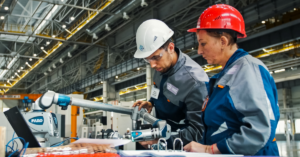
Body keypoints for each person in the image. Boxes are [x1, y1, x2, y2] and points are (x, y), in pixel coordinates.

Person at [184, 4, 280, 156]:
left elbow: (261, 131)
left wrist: (210, 150)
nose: (199, 51)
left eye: (203, 43)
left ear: (223, 41)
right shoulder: (227, 75)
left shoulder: (248, 70)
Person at [132, 19, 209, 149]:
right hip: (163, 139)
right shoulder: (161, 67)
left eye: (156, 57)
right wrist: (151, 102)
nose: (152, 65)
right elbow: (159, 90)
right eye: (147, 59)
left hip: (182, 146)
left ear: (171, 48)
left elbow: (198, 131)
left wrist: (163, 140)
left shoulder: (195, 82)